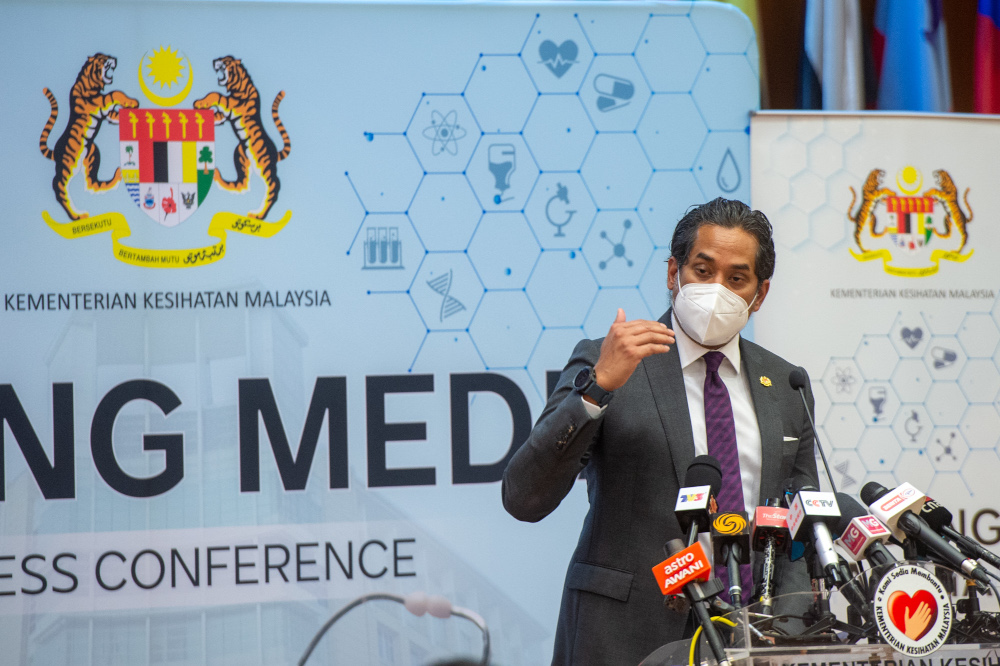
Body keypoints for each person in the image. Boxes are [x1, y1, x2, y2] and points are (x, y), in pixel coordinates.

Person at [502, 198, 819, 665]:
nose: (717, 290)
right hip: (624, 638)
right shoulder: (607, 361)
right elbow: (524, 497)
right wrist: (597, 390)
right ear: (673, 273)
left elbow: (798, 524)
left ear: (760, 294)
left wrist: (789, 624)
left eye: (736, 279)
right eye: (702, 270)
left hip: (755, 640)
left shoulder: (786, 383)